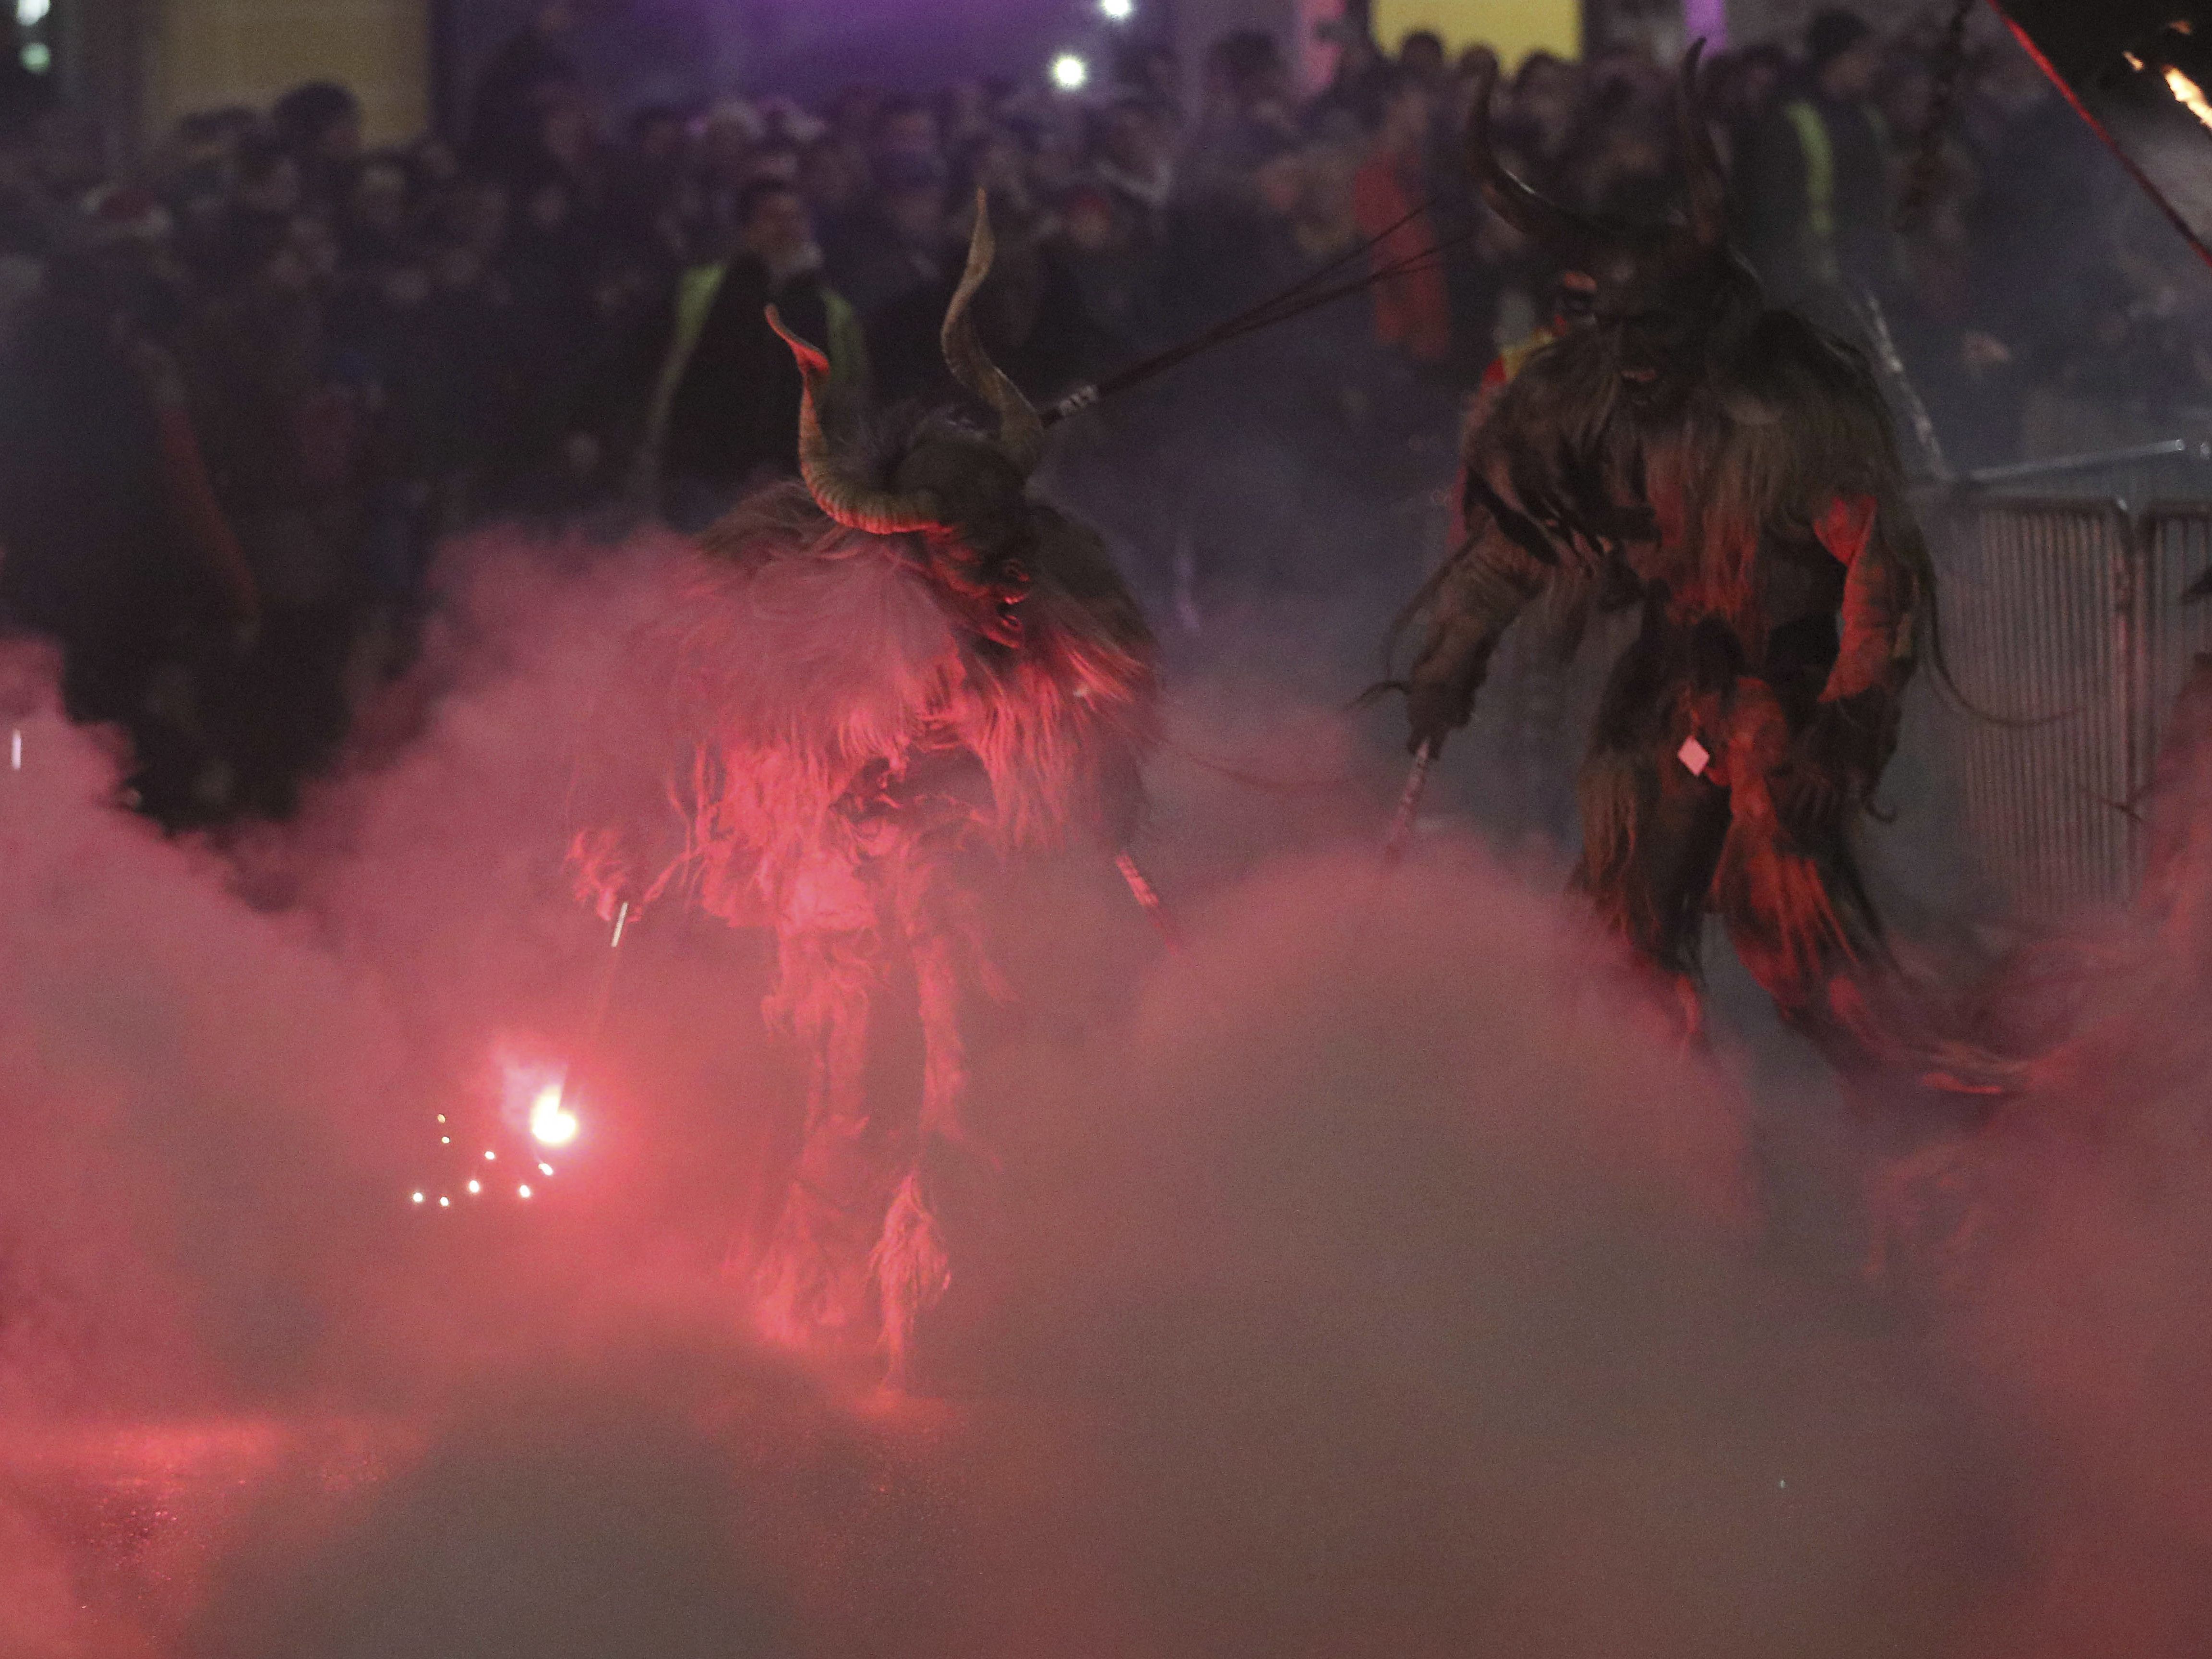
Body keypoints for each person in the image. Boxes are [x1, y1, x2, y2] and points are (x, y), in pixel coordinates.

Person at [610, 177, 866, 530]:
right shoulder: (699, 291)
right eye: (772, 217)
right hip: (700, 478)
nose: (787, 229)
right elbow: (642, 365)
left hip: (791, 489)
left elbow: (848, 401)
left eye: (795, 218)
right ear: (747, 229)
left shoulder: (832, 312)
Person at [1735, 9, 1898, 334]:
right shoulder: (1790, 124)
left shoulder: (1870, 119)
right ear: (1839, 56)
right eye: (1865, 54)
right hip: (1812, 288)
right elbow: (1772, 218)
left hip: (1868, 278)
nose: (1873, 65)